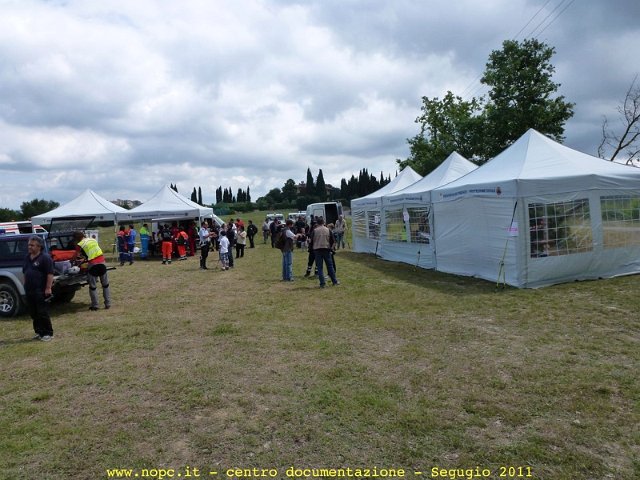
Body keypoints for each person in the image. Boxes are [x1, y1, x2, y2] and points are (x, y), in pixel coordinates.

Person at [22, 235, 54, 341]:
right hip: (29, 290)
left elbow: (50, 274)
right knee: (33, 313)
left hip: (40, 290)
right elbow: (25, 272)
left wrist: (48, 288)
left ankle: (48, 333)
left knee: (42, 312)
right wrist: (24, 284)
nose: (29, 247)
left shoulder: (45, 258)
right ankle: (39, 332)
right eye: (29, 245)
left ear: (39, 246)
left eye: (32, 245)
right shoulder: (27, 257)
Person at [74, 231, 111, 311]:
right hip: (102, 262)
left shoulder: (80, 244)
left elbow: (76, 256)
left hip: (93, 265)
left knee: (93, 287)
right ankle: (108, 304)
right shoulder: (93, 240)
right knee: (105, 285)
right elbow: (93, 251)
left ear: (77, 239)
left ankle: (95, 305)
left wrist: (73, 261)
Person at [311, 217, 339, 288]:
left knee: (319, 267)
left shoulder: (315, 230)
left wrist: (312, 249)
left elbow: (311, 241)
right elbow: (333, 241)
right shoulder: (328, 230)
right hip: (326, 249)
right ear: (323, 222)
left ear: (317, 223)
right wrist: (331, 249)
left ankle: (322, 284)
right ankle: (334, 281)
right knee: (330, 266)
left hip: (317, 250)